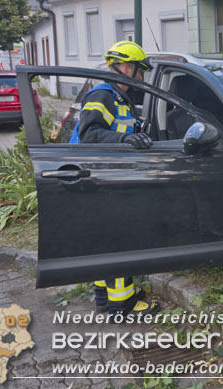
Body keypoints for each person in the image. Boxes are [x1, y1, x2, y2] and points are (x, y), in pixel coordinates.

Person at [69, 40, 159, 317]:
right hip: (94, 175)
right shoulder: (102, 95)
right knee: (120, 238)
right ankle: (123, 305)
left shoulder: (118, 96)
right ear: (126, 67)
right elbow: (89, 134)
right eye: (139, 70)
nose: (141, 77)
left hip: (101, 174)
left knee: (105, 240)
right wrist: (126, 137)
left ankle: (104, 298)